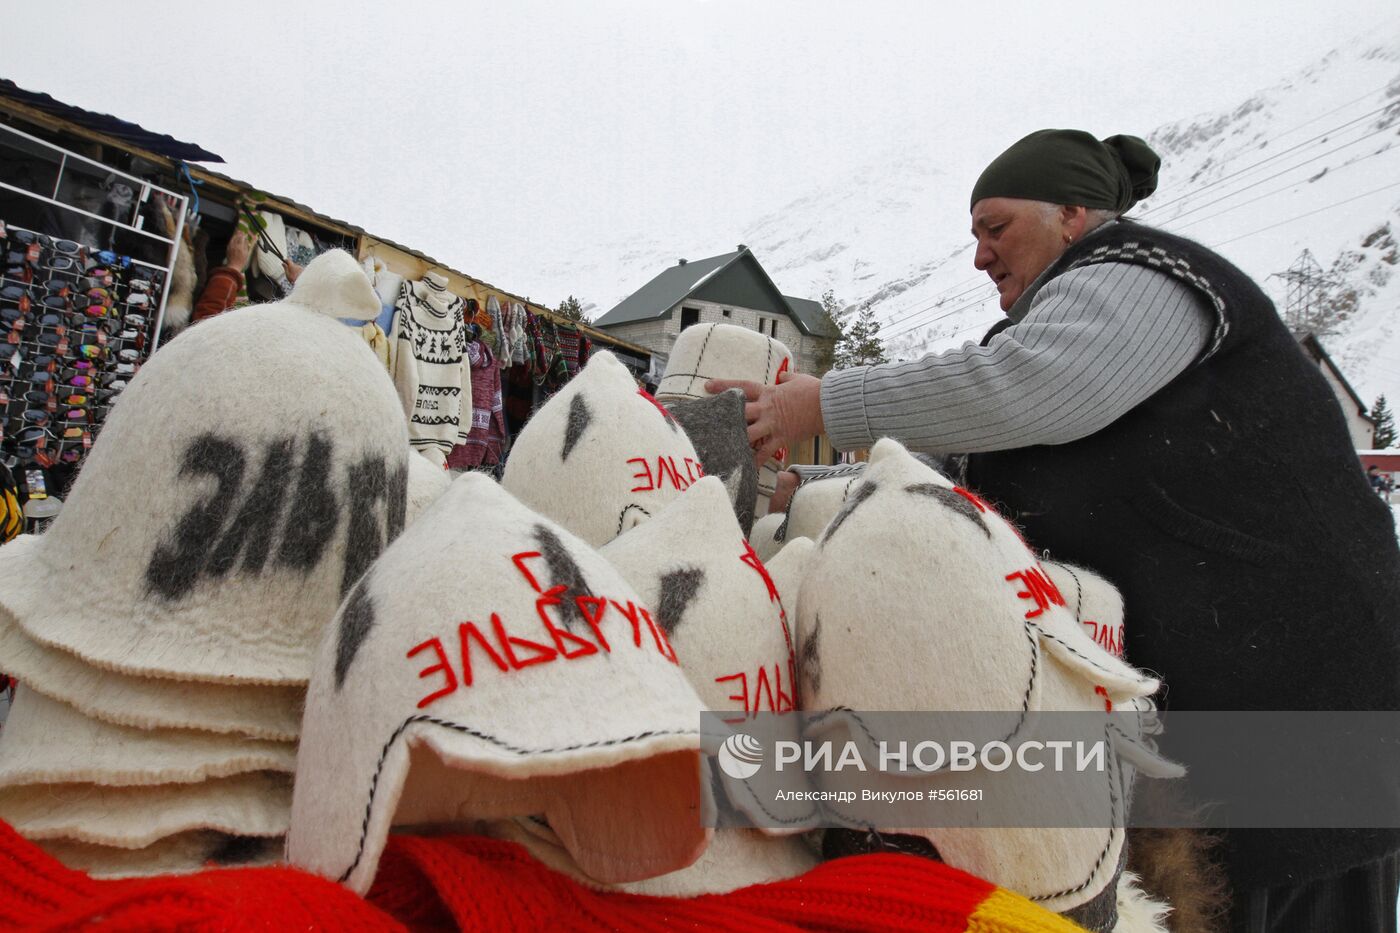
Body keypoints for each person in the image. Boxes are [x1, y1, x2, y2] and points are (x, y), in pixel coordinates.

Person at [710, 129, 1400, 933]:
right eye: (974, 235)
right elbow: (947, 472)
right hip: (1228, 716)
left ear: (1073, 213)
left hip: (1305, 710)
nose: (980, 256)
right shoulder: (1063, 320)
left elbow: (1027, 390)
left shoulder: (1141, 276)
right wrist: (798, 488)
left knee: (1289, 895)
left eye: (995, 228)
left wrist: (819, 405)